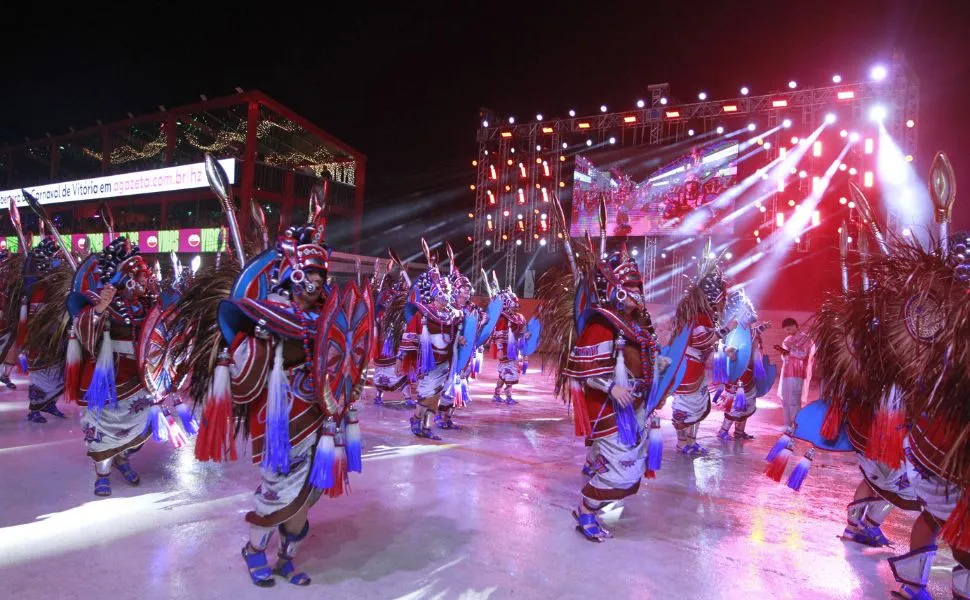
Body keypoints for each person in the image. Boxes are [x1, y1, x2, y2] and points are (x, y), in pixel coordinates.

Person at [195, 217, 369, 587]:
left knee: (308, 496)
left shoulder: (325, 316)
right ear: (292, 274)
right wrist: (257, 337)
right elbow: (244, 376)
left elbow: (345, 355)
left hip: (323, 418)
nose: (318, 281)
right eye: (311, 274)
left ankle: (287, 558)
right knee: (279, 490)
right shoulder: (270, 314)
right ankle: (254, 550)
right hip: (283, 417)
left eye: (322, 275)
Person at [552, 247, 665, 541]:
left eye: (638, 287)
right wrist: (611, 387)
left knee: (632, 465)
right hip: (611, 411)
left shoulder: (638, 324)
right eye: (629, 287)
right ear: (615, 290)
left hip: (637, 408)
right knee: (621, 470)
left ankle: (593, 489)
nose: (636, 293)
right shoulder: (602, 323)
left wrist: (660, 371)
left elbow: (644, 359)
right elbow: (581, 368)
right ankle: (586, 510)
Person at [70, 237, 158, 496]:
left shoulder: (146, 304)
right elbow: (82, 332)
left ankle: (122, 458)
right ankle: (103, 473)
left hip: (139, 376)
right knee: (103, 428)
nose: (145, 281)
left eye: (146, 276)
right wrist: (99, 309)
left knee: (141, 422)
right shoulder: (99, 299)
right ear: (126, 278)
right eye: (140, 276)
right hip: (107, 375)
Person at [670, 244, 736, 455]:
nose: (720, 306)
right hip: (688, 368)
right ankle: (682, 444)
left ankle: (691, 441)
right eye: (718, 302)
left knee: (698, 406)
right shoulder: (695, 316)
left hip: (697, 368)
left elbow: (709, 342)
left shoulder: (704, 316)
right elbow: (701, 341)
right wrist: (727, 329)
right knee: (685, 407)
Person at [399, 253, 462, 440]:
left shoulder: (453, 316)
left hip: (445, 365)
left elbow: (456, 336)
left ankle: (426, 427)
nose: (447, 299)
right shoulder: (424, 314)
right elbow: (410, 333)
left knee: (436, 396)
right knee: (427, 395)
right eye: (444, 295)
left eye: (449, 295)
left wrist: (460, 342)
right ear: (435, 295)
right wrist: (401, 358)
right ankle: (416, 419)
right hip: (428, 363)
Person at [777, 317, 812, 427]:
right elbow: (785, 358)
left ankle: (795, 425)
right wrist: (784, 354)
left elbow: (803, 355)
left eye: (790, 328)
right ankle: (787, 424)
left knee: (794, 400)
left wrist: (790, 350)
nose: (788, 331)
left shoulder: (805, 338)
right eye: (786, 330)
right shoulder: (786, 340)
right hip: (787, 372)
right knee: (785, 400)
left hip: (797, 373)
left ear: (796, 326)